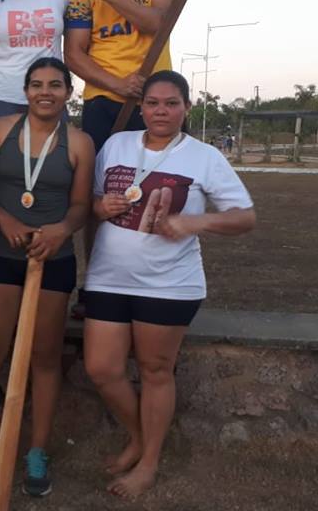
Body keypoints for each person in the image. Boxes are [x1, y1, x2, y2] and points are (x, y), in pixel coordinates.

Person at [82, 70, 256, 499]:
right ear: (141, 108)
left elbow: (244, 216)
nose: (162, 111)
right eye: (154, 103)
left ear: (186, 108)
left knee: (156, 370)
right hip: (108, 278)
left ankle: (149, 462)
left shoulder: (204, 157)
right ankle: (139, 437)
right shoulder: (116, 145)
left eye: (172, 103)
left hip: (169, 285)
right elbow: (87, 201)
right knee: (102, 369)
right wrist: (100, 204)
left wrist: (196, 221)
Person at [0, 58, 94, 497]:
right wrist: (5, 221)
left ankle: (36, 452)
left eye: (55, 85)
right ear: (26, 90)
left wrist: (60, 231)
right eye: (37, 85)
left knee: (46, 358)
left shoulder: (80, 142)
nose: (45, 92)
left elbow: (79, 206)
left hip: (53, 259)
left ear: (68, 92)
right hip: (2, 253)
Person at [64, 0, 181, 318]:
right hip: (104, 102)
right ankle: (95, 285)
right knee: (100, 195)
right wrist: (117, 84)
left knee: (160, 189)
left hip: (155, 100)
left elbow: (159, 24)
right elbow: (75, 55)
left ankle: (152, 281)